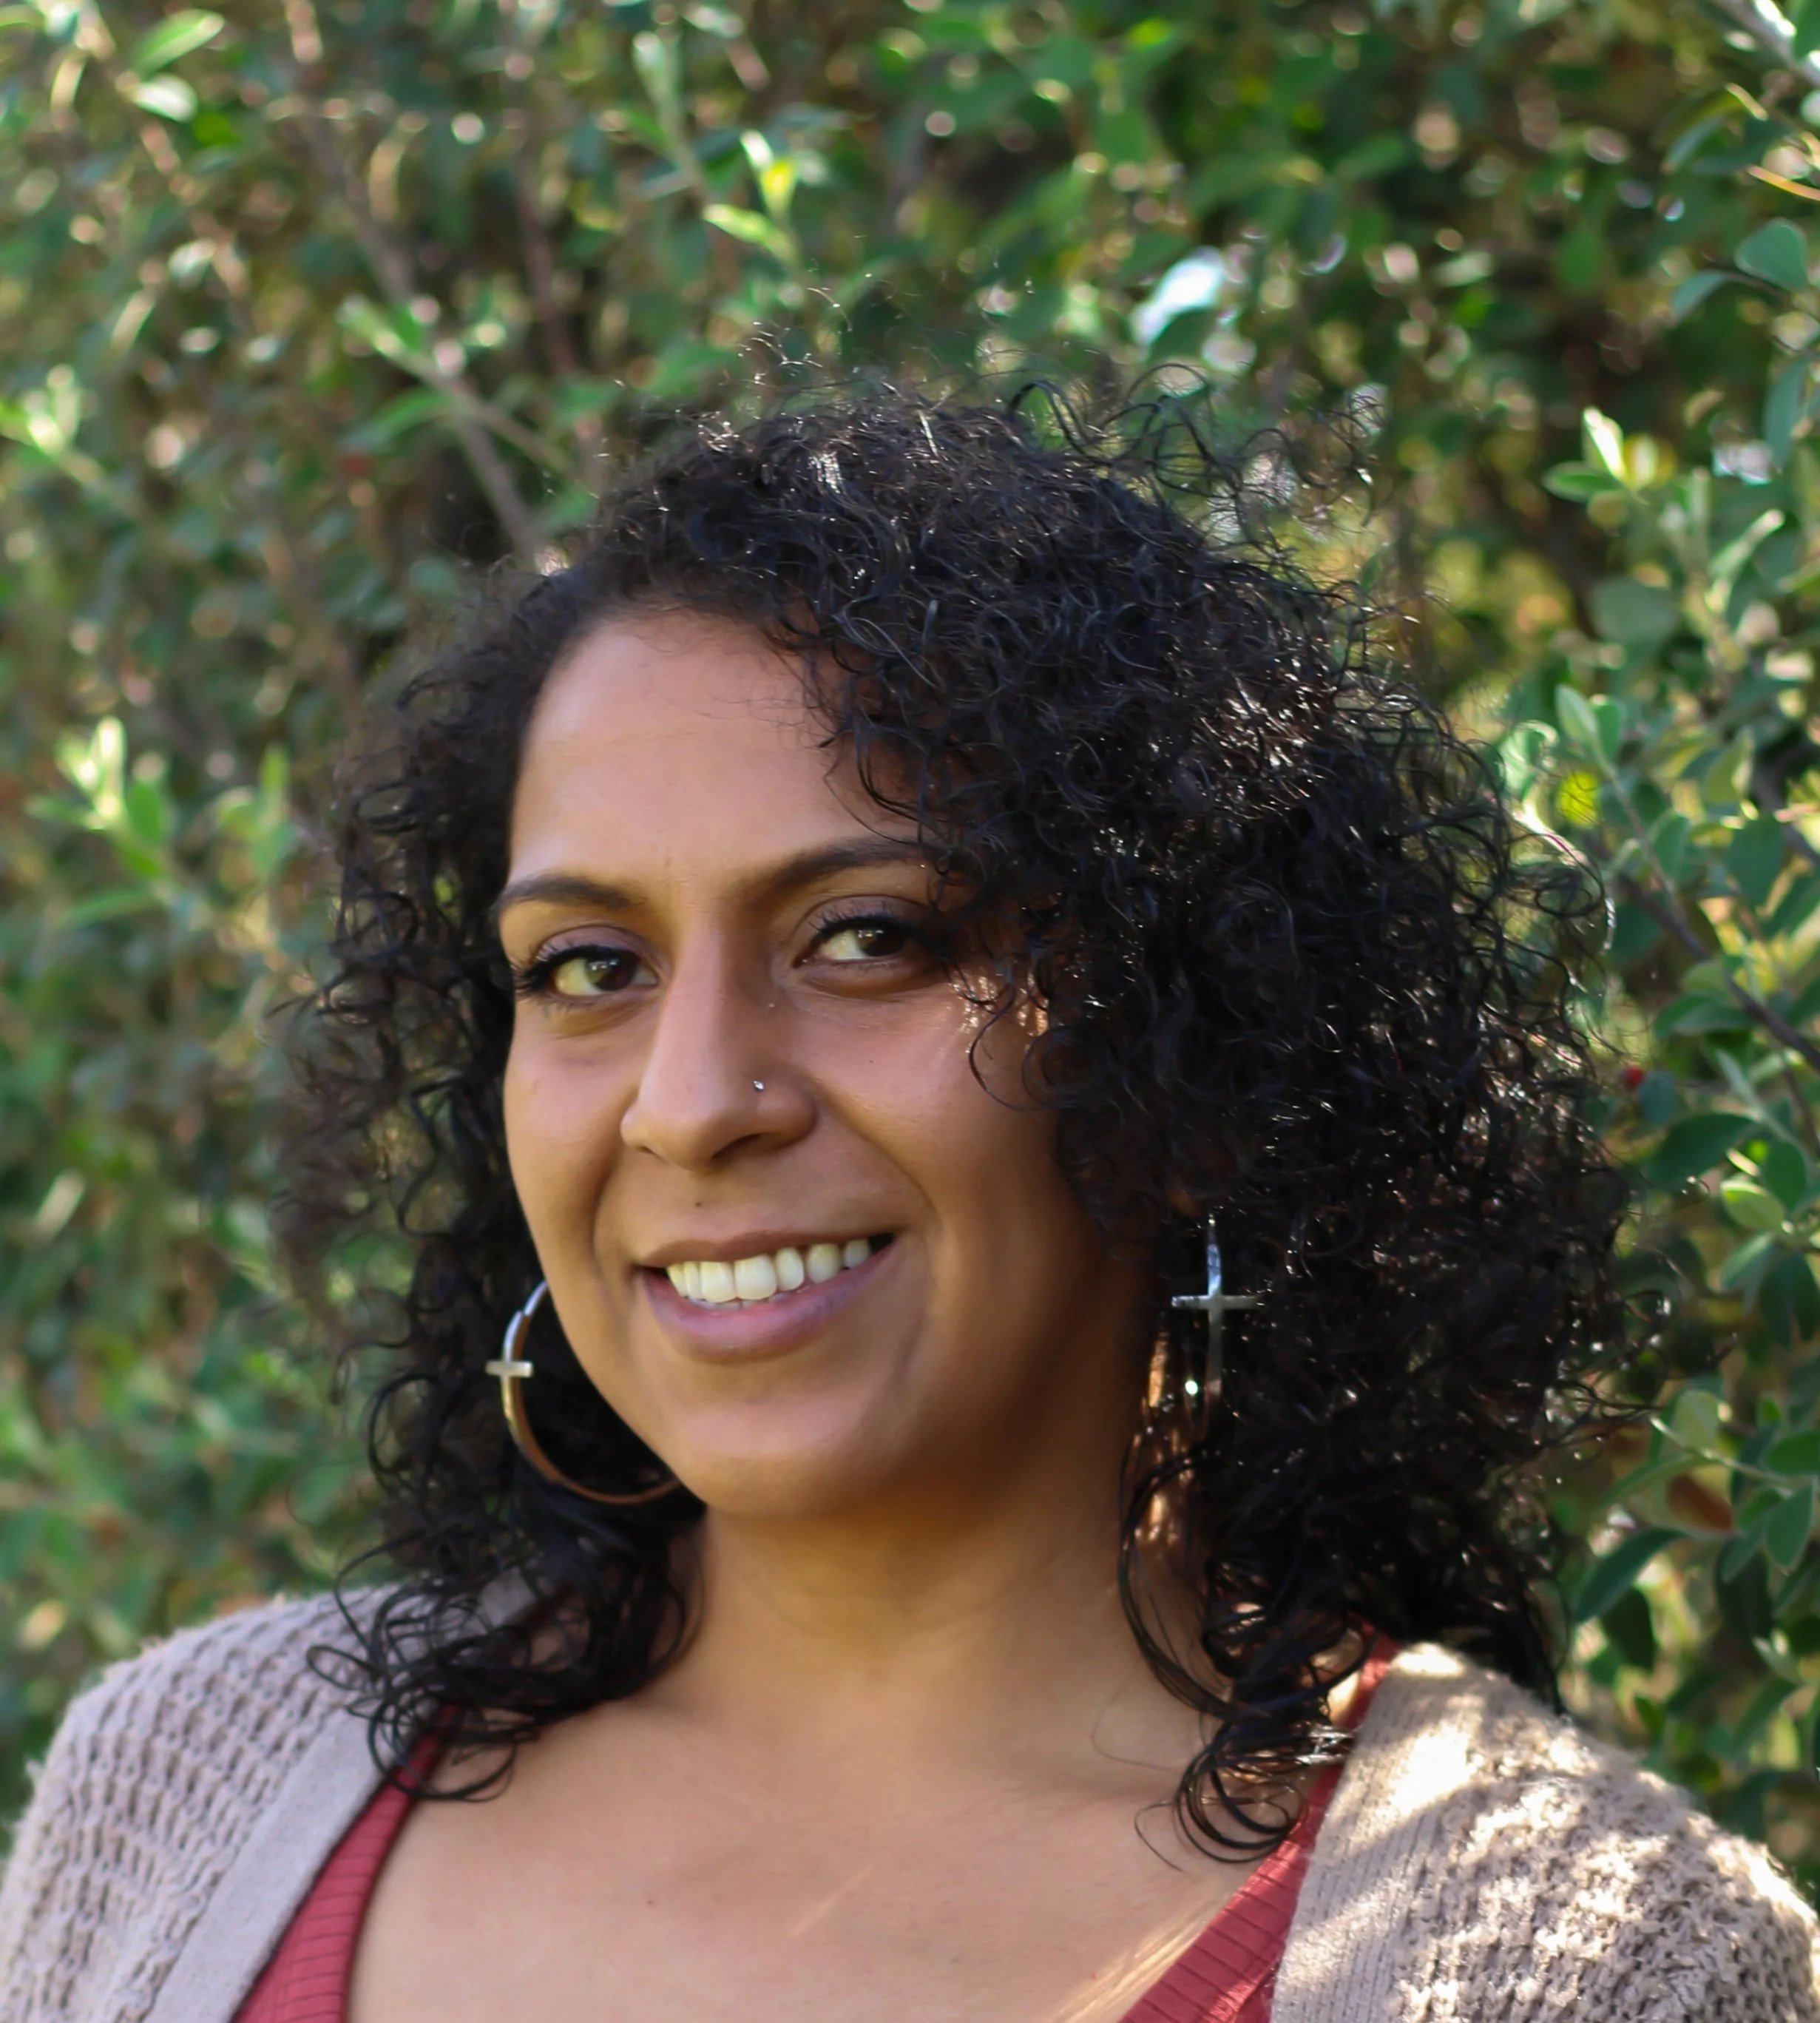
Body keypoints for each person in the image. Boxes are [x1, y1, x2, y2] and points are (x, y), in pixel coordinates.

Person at [1, 387, 1815, 2023]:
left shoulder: (1591, 1963)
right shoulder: (185, 1786)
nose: (688, 1101)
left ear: (1199, 1049)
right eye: (589, 965)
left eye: (866, 936)